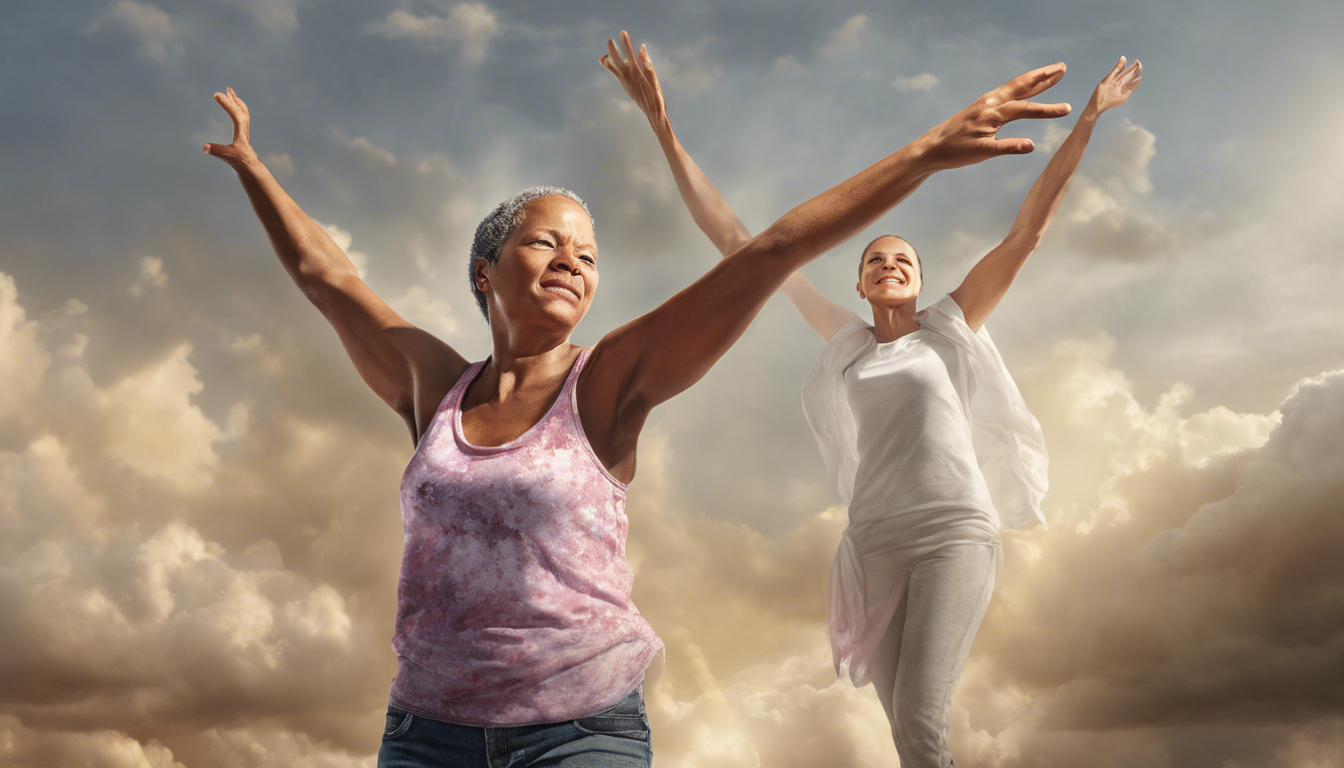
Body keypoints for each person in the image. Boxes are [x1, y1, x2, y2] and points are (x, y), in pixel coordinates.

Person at [201, 35, 1071, 767]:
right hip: (424, 735)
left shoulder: (609, 379)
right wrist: (250, 165)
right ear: (485, 272)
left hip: (580, 736)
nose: (573, 261)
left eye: (586, 254)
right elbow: (328, 278)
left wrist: (922, 153)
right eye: (545, 242)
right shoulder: (432, 386)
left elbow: (765, 253)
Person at [602, 33, 1140, 767]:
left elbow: (1028, 232)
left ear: (919, 279)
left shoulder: (950, 327)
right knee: (907, 739)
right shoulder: (847, 344)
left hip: (953, 534)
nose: (889, 265)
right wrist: (664, 131)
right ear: (860, 285)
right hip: (873, 545)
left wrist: (1088, 121)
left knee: (922, 725)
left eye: (903, 260)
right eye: (874, 260)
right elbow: (736, 240)